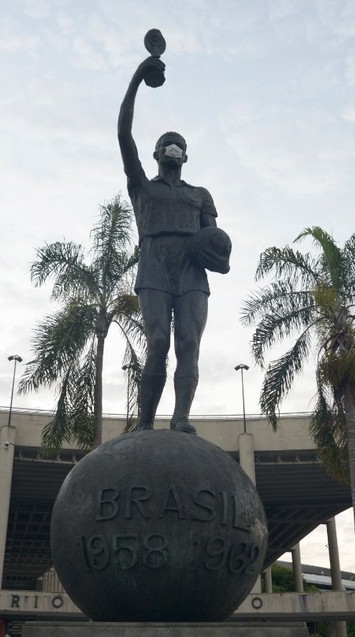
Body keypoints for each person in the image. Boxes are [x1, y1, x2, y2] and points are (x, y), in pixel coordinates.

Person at [118, 56, 229, 434]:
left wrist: (221, 257)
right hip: (154, 265)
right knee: (158, 342)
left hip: (191, 271)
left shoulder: (200, 194)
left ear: (187, 156)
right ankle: (145, 422)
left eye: (179, 144)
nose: (173, 146)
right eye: (167, 144)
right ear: (156, 154)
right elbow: (123, 134)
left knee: (188, 343)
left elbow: (214, 243)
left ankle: (181, 417)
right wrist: (138, 78)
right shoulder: (142, 186)